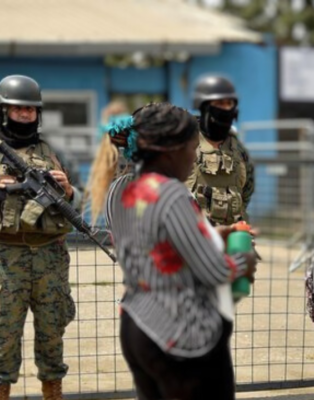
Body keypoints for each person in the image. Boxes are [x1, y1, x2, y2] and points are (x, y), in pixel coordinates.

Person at [102, 102, 257, 400]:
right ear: (171, 151)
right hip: (178, 332)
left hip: (137, 322)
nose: (194, 155)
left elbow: (159, 245)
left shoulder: (119, 189)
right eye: (191, 147)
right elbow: (216, 272)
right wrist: (242, 258)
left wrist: (216, 234)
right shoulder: (172, 193)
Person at [0, 75, 81, 400]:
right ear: (3, 112)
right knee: (5, 339)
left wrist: (68, 191)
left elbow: (78, 203)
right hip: (6, 265)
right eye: (18, 109)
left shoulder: (55, 154)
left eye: (30, 110)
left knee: (52, 336)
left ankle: (53, 393)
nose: (25, 115)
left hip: (51, 263)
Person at [186, 75, 255, 225]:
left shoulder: (239, 150)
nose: (225, 109)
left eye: (228, 104)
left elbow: (247, 191)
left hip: (232, 237)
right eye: (219, 103)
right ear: (204, 107)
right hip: (191, 236)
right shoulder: (184, 143)